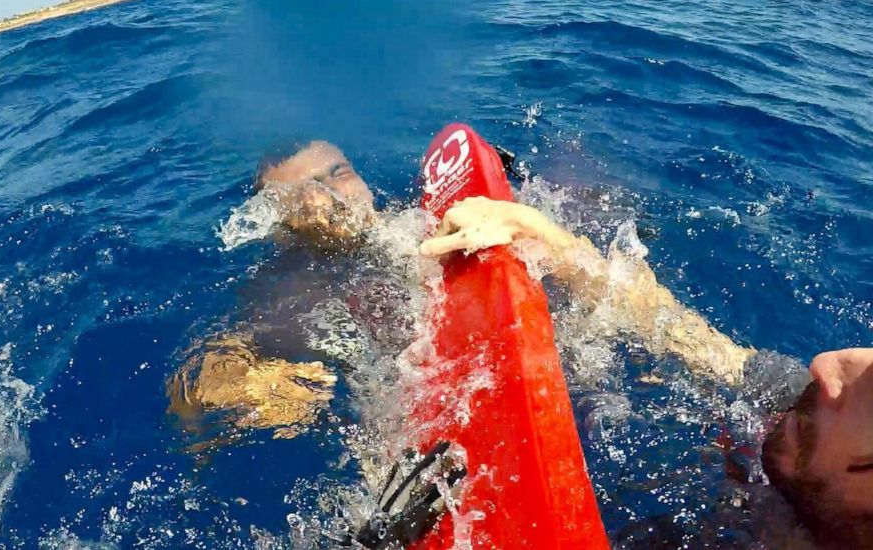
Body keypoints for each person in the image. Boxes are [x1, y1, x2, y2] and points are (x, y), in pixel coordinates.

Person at [167, 139, 871, 548]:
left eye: (335, 175)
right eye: (302, 192)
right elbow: (197, 390)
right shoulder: (288, 286)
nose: (829, 363)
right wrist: (548, 235)